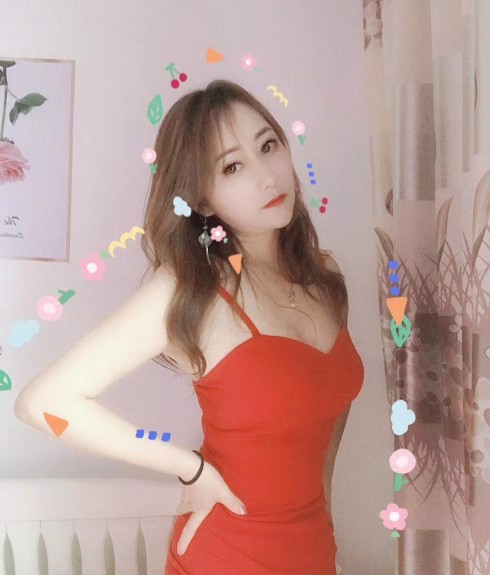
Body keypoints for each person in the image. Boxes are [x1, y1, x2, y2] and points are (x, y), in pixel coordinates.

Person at [14, 79, 364, 574]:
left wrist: (326, 532)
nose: (267, 176)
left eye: (268, 146)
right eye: (232, 167)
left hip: (313, 550)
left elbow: (326, 426)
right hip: (228, 554)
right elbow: (41, 402)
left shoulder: (324, 278)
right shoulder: (192, 288)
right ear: (202, 200)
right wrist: (190, 468)